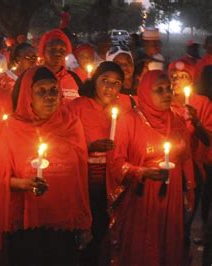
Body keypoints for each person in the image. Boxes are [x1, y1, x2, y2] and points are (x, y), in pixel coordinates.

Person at [0, 66, 91, 265]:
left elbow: (81, 178)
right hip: (28, 224)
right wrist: (25, 184)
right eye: (41, 91)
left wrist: (84, 221)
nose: (49, 97)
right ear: (28, 95)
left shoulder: (72, 124)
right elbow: (1, 179)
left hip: (64, 222)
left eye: (54, 90)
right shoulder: (13, 128)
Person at [108, 70, 195, 265]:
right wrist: (142, 172)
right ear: (146, 92)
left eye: (169, 89)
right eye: (159, 90)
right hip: (142, 194)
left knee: (169, 243)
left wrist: (189, 188)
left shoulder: (177, 120)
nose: (167, 94)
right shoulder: (129, 121)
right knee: (145, 245)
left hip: (170, 194)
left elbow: (186, 157)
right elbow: (116, 163)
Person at [68, 61, 132, 265]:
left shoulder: (126, 106)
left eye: (116, 83)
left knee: (110, 233)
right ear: (94, 80)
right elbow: (63, 141)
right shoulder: (77, 107)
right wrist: (90, 146)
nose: (110, 87)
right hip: (86, 181)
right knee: (87, 235)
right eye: (105, 80)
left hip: (115, 181)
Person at [168, 59, 212, 248]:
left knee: (185, 221)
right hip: (169, 168)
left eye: (183, 77)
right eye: (173, 76)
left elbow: (208, 139)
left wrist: (196, 122)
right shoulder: (164, 101)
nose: (176, 80)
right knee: (169, 222)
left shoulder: (201, 103)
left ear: (191, 82)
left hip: (193, 169)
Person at [38, 28, 82, 103]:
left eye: (62, 50)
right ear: (43, 51)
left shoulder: (74, 78)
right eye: (52, 49)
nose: (57, 53)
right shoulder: (33, 77)